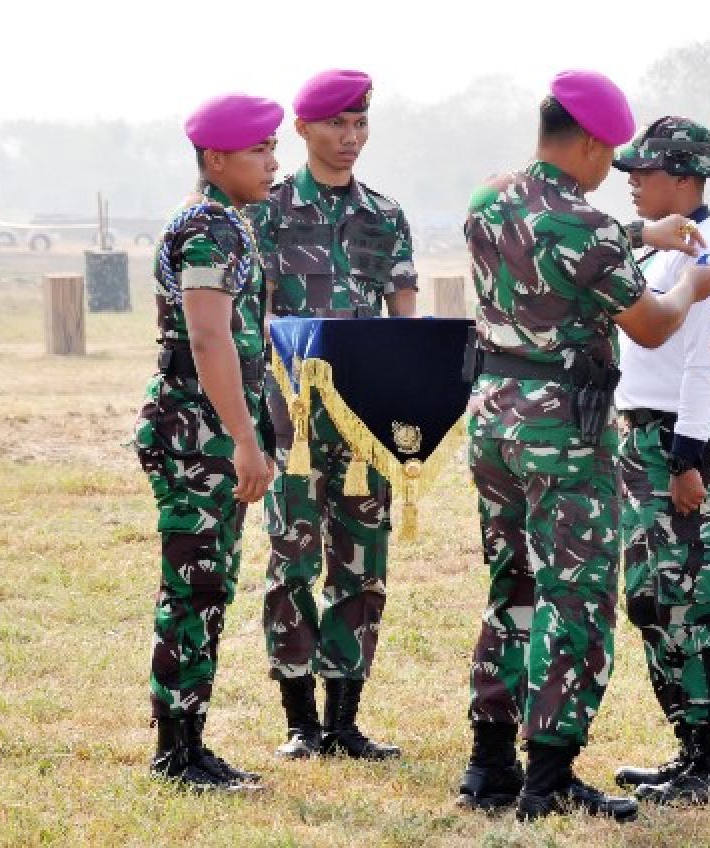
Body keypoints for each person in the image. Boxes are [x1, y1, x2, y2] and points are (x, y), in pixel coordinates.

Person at [457, 70, 710, 823]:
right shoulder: (591, 227)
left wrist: (641, 233)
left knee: (511, 587)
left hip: (494, 418)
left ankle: (488, 766)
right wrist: (689, 289)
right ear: (595, 144)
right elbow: (649, 323)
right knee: (573, 598)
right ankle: (549, 777)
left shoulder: (489, 196)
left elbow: (553, 239)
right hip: (562, 433)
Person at [255, 69, 416, 762]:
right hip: (288, 421)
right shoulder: (266, 212)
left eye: (360, 125)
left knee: (360, 566)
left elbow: (405, 326)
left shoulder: (386, 217)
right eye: (336, 126)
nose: (350, 139)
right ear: (303, 130)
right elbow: (245, 319)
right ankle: (300, 722)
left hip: (362, 427)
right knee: (290, 562)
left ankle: (345, 719)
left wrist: (407, 412)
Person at [133, 92, 281, 791]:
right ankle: (176, 751)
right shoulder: (209, 229)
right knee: (192, 589)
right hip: (196, 436)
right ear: (217, 158)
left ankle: (190, 742)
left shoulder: (230, 223)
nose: (273, 161)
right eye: (260, 150)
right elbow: (207, 336)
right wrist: (245, 439)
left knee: (209, 586)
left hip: (208, 433)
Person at [609, 116, 710, 805]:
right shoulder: (667, 247)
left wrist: (688, 459)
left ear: (687, 179)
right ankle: (689, 748)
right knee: (654, 599)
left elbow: (707, 369)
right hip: (647, 437)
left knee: (692, 600)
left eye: (646, 171)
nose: (632, 182)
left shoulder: (707, 255)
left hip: (685, 440)